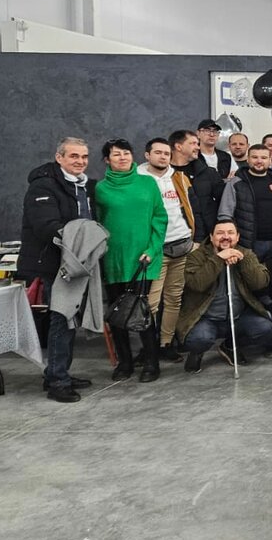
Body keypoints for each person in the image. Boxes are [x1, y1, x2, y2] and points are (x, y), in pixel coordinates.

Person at [18, 137, 102, 402]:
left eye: (84, 156)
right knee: (61, 319)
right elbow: (46, 226)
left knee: (69, 321)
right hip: (55, 263)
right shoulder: (43, 186)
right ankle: (57, 382)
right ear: (59, 157)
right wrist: (83, 241)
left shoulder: (85, 186)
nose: (80, 161)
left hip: (78, 261)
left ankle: (58, 371)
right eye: (74, 156)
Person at [95, 139, 167, 383]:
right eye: (117, 154)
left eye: (126, 153)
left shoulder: (147, 183)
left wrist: (153, 249)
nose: (123, 158)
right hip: (113, 259)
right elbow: (97, 223)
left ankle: (151, 363)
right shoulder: (100, 189)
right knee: (117, 313)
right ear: (107, 160)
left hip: (143, 258)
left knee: (141, 310)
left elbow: (160, 217)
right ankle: (124, 363)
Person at [177, 219, 272, 373]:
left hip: (237, 317)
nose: (226, 237)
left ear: (237, 237)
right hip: (206, 318)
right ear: (211, 237)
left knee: (265, 329)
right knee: (199, 339)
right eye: (220, 233)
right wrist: (218, 259)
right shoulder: (196, 256)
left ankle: (230, 346)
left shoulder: (246, 253)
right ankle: (197, 352)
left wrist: (243, 261)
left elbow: (260, 283)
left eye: (230, 233)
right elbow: (197, 284)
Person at [137, 137, 195, 363]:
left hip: (181, 243)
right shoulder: (138, 179)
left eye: (166, 154)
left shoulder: (179, 177)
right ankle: (148, 347)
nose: (163, 157)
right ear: (147, 155)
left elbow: (190, 207)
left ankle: (166, 343)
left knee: (174, 299)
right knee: (151, 303)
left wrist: (194, 236)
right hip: (156, 249)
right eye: (158, 153)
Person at [218, 143, 272, 261]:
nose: (259, 161)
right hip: (248, 244)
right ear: (248, 159)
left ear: (270, 160)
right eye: (254, 157)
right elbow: (225, 215)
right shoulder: (236, 183)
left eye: (263, 158)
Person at [170, 129, 222, 243]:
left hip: (207, 240)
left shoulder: (209, 173)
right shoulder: (164, 176)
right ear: (178, 147)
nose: (198, 147)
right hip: (175, 240)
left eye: (197, 144)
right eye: (193, 143)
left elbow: (222, 202)